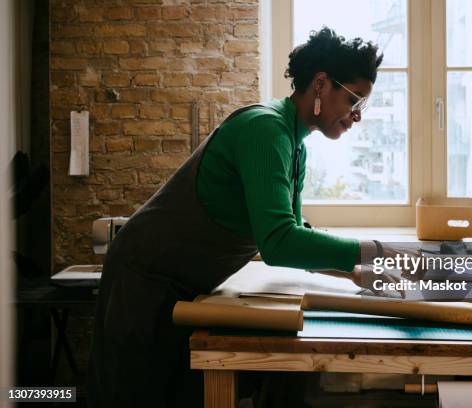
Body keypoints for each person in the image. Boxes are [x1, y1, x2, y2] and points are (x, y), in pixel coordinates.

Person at [87, 27, 401, 408]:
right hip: (143, 280)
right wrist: (378, 252)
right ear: (320, 84)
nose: (356, 117)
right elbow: (278, 243)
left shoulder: (294, 144)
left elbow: (294, 233)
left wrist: (354, 272)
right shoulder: (265, 128)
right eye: (354, 100)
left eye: (363, 105)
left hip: (181, 286)